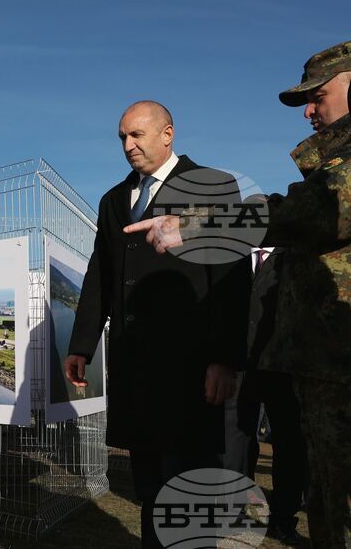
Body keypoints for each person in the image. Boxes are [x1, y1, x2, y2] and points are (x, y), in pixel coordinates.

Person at [127, 42, 351, 547]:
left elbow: (317, 210)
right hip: (325, 365)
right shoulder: (332, 164)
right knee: (328, 501)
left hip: (341, 364)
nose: (311, 112)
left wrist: (201, 223)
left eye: (318, 96)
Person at [64, 100, 250, 548]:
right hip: (136, 370)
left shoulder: (212, 187)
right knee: (149, 489)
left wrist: (224, 358)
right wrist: (82, 344)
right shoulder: (114, 200)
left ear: (167, 134)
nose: (128, 145)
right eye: (122, 138)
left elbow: (230, 277)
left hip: (191, 371)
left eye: (137, 135)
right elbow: (102, 276)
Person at [240, 245, 307, 546]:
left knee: (289, 448)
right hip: (239, 366)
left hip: (284, 369)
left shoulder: (294, 257)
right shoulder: (234, 255)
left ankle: (283, 519)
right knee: (240, 445)